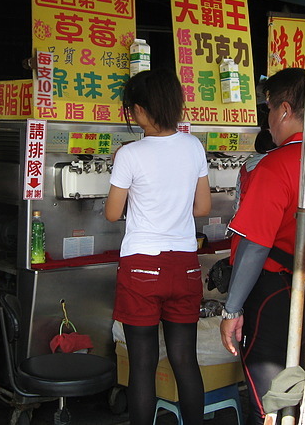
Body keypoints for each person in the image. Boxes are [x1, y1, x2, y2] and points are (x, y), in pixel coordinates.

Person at [219, 68, 305, 425]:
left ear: (285, 110)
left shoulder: (276, 165)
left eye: (269, 108)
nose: (268, 118)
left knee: (269, 400)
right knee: (302, 392)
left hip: (272, 296)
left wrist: (231, 309)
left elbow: (255, 245)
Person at [105, 69, 212, 425]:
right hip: (184, 265)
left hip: (141, 266)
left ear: (137, 110)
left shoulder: (130, 155)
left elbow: (112, 213)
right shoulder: (193, 146)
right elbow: (203, 208)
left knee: (142, 366)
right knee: (185, 360)